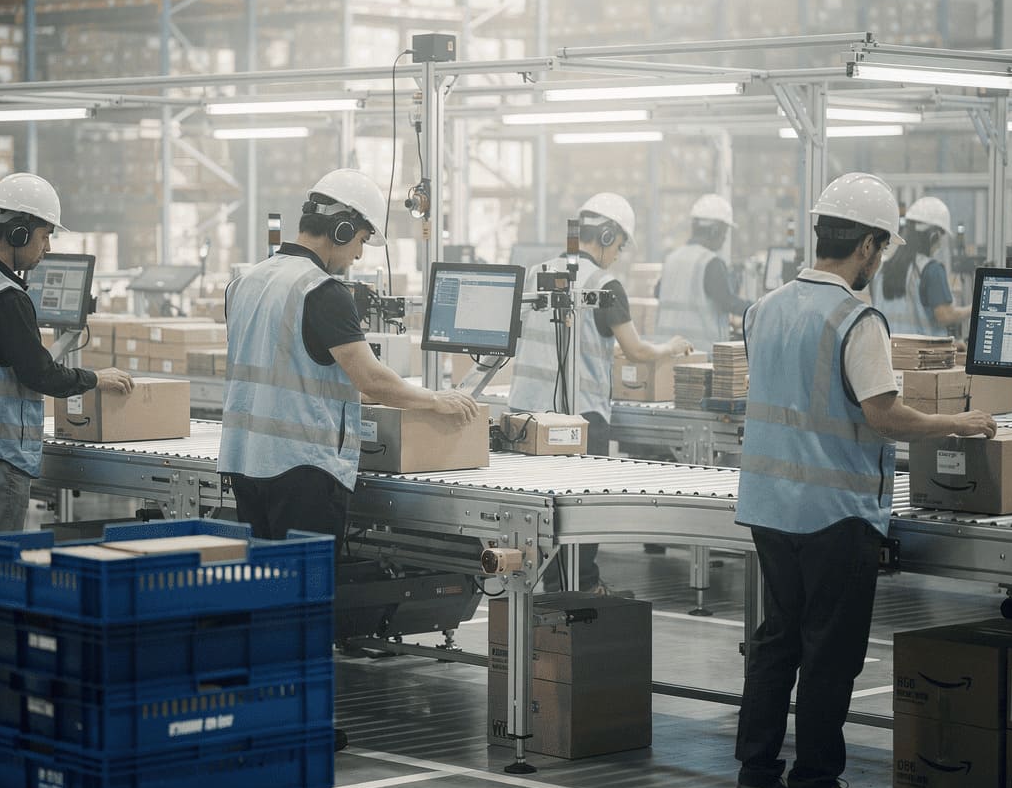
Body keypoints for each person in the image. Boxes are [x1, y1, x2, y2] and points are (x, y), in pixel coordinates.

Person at [732, 171, 996, 788]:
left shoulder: (762, 308)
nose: (881, 262)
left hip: (769, 509)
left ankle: (756, 781)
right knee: (829, 655)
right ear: (870, 247)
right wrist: (956, 425)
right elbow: (885, 415)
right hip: (835, 514)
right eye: (883, 250)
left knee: (777, 642)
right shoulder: (858, 318)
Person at [0, 173, 134, 636]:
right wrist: (97, 377)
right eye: (43, 235)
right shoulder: (5, 297)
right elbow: (40, 374)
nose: (47, 248)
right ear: (17, 233)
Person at [219, 167, 482, 550]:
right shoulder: (323, 292)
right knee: (305, 596)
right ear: (341, 229)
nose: (358, 254)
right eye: (360, 239)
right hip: (302, 470)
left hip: (245, 463)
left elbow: (287, 366)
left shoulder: (243, 283)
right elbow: (371, 379)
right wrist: (437, 400)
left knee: (267, 589)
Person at [507, 191, 692, 590]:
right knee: (580, 509)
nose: (618, 255)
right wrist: (672, 348)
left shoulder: (537, 269)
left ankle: (545, 587)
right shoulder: (605, 284)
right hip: (579, 417)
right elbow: (636, 351)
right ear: (607, 236)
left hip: (524, 416)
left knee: (536, 510)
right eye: (620, 246)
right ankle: (582, 587)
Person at [656, 193, 750, 354]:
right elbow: (728, 302)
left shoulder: (672, 258)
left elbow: (657, 292)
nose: (724, 238)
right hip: (699, 355)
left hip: (667, 351)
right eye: (724, 232)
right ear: (714, 231)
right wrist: (760, 308)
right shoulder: (710, 262)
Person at [873, 195, 971, 336]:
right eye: (941, 234)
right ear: (934, 235)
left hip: (889, 353)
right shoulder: (930, 270)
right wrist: (974, 309)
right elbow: (945, 316)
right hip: (922, 355)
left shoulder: (882, 268)